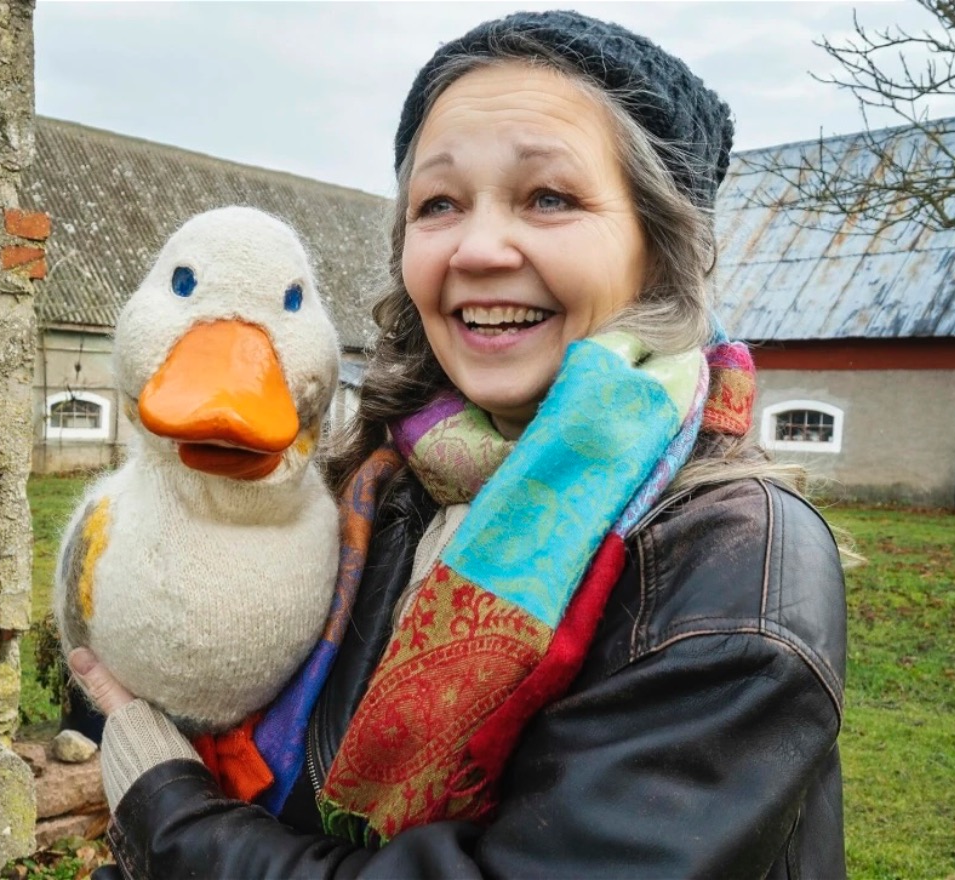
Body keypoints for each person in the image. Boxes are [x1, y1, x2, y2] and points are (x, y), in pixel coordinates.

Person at [66, 9, 848, 878]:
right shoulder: (384, 486)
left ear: (659, 251)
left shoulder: (733, 566)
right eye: (438, 204)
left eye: (548, 197)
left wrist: (168, 816)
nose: (476, 249)